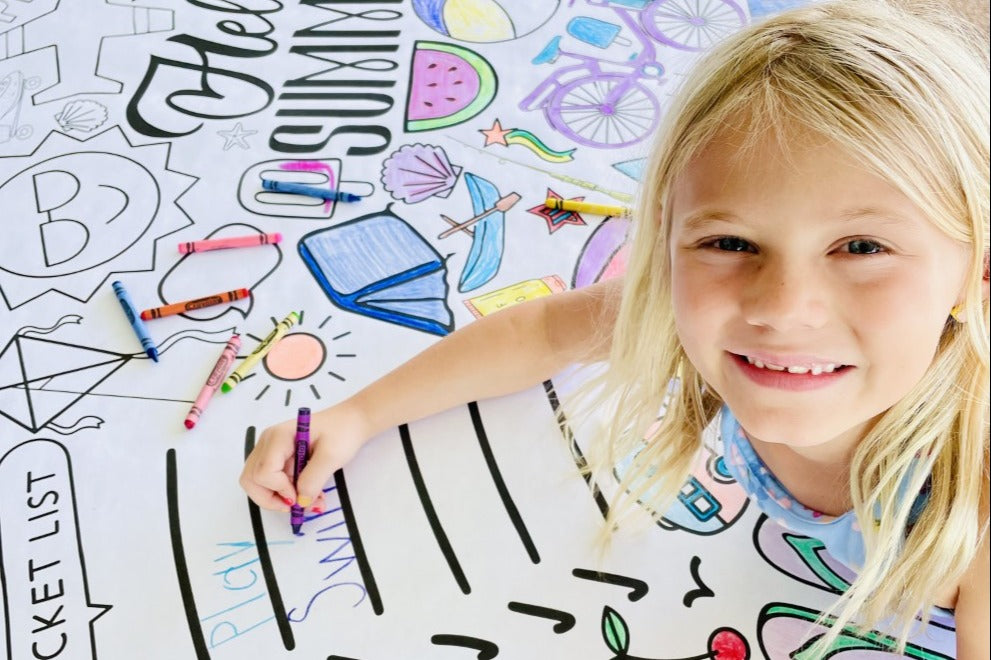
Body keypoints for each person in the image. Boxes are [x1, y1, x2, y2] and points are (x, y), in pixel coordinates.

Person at [241, 0, 989, 654]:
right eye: (729, 242)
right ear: (666, 233)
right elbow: (541, 332)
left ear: (975, 270)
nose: (780, 308)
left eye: (862, 249)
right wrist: (354, 415)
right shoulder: (681, 313)